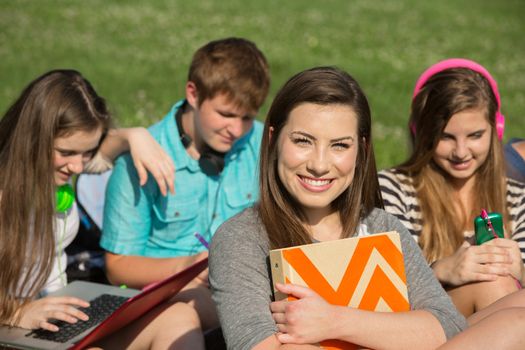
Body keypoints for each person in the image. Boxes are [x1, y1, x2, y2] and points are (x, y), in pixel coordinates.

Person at [209, 66, 469, 350]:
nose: (319, 165)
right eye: (303, 141)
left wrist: (336, 321)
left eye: (339, 145)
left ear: (362, 150)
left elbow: (449, 329)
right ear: (273, 139)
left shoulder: (381, 227)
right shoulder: (242, 239)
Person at [101, 37, 270, 348]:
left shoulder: (261, 144)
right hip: (161, 294)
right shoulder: (141, 158)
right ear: (193, 93)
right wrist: (187, 265)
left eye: (247, 117)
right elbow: (117, 266)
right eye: (225, 114)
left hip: (241, 285)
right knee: (193, 315)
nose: (236, 129)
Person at [0, 69, 186, 348]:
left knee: (178, 317)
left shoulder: (53, 171)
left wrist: (135, 137)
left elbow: (100, 153)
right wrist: (18, 311)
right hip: (14, 327)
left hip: (59, 315)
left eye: (86, 153)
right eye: (67, 153)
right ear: (34, 138)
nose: (78, 167)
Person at [378, 58, 525, 318]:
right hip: (424, 329)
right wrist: (441, 271)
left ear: (497, 129)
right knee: (494, 283)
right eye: (446, 137)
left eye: (475, 135)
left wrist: (521, 272)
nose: (460, 152)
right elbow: (386, 291)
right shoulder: (393, 189)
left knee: (502, 283)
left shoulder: (517, 197)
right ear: (420, 132)